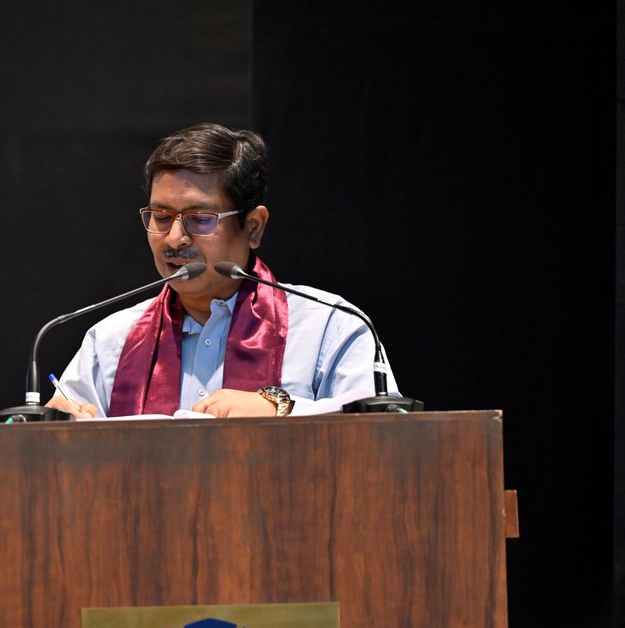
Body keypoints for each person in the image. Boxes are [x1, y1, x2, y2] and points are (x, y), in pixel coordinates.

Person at [47, 122, 400, 419]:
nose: (175, 238)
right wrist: (56, 430)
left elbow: (383, 429)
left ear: (254, 227)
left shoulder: (329, 327)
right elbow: (61, 446)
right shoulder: (110, 341)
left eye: (200, 219)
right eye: (161, 217)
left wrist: (282, 408)